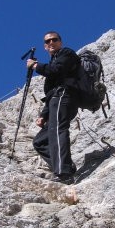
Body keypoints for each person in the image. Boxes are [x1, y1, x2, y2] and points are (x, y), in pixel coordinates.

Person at [26, 31, 80, 184]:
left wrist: (35, 65)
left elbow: (56, 70)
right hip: (56, 99)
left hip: (65, 96)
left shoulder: (66, 53)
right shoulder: (53, 61)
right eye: (48, 41)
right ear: (45, 46)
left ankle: (64, 173)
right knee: (40, 142)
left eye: (54, 40)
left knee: (58, 131)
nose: (51, 43)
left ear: (60, 42)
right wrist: (44, 115)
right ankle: (66, 165)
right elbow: (51, 93)